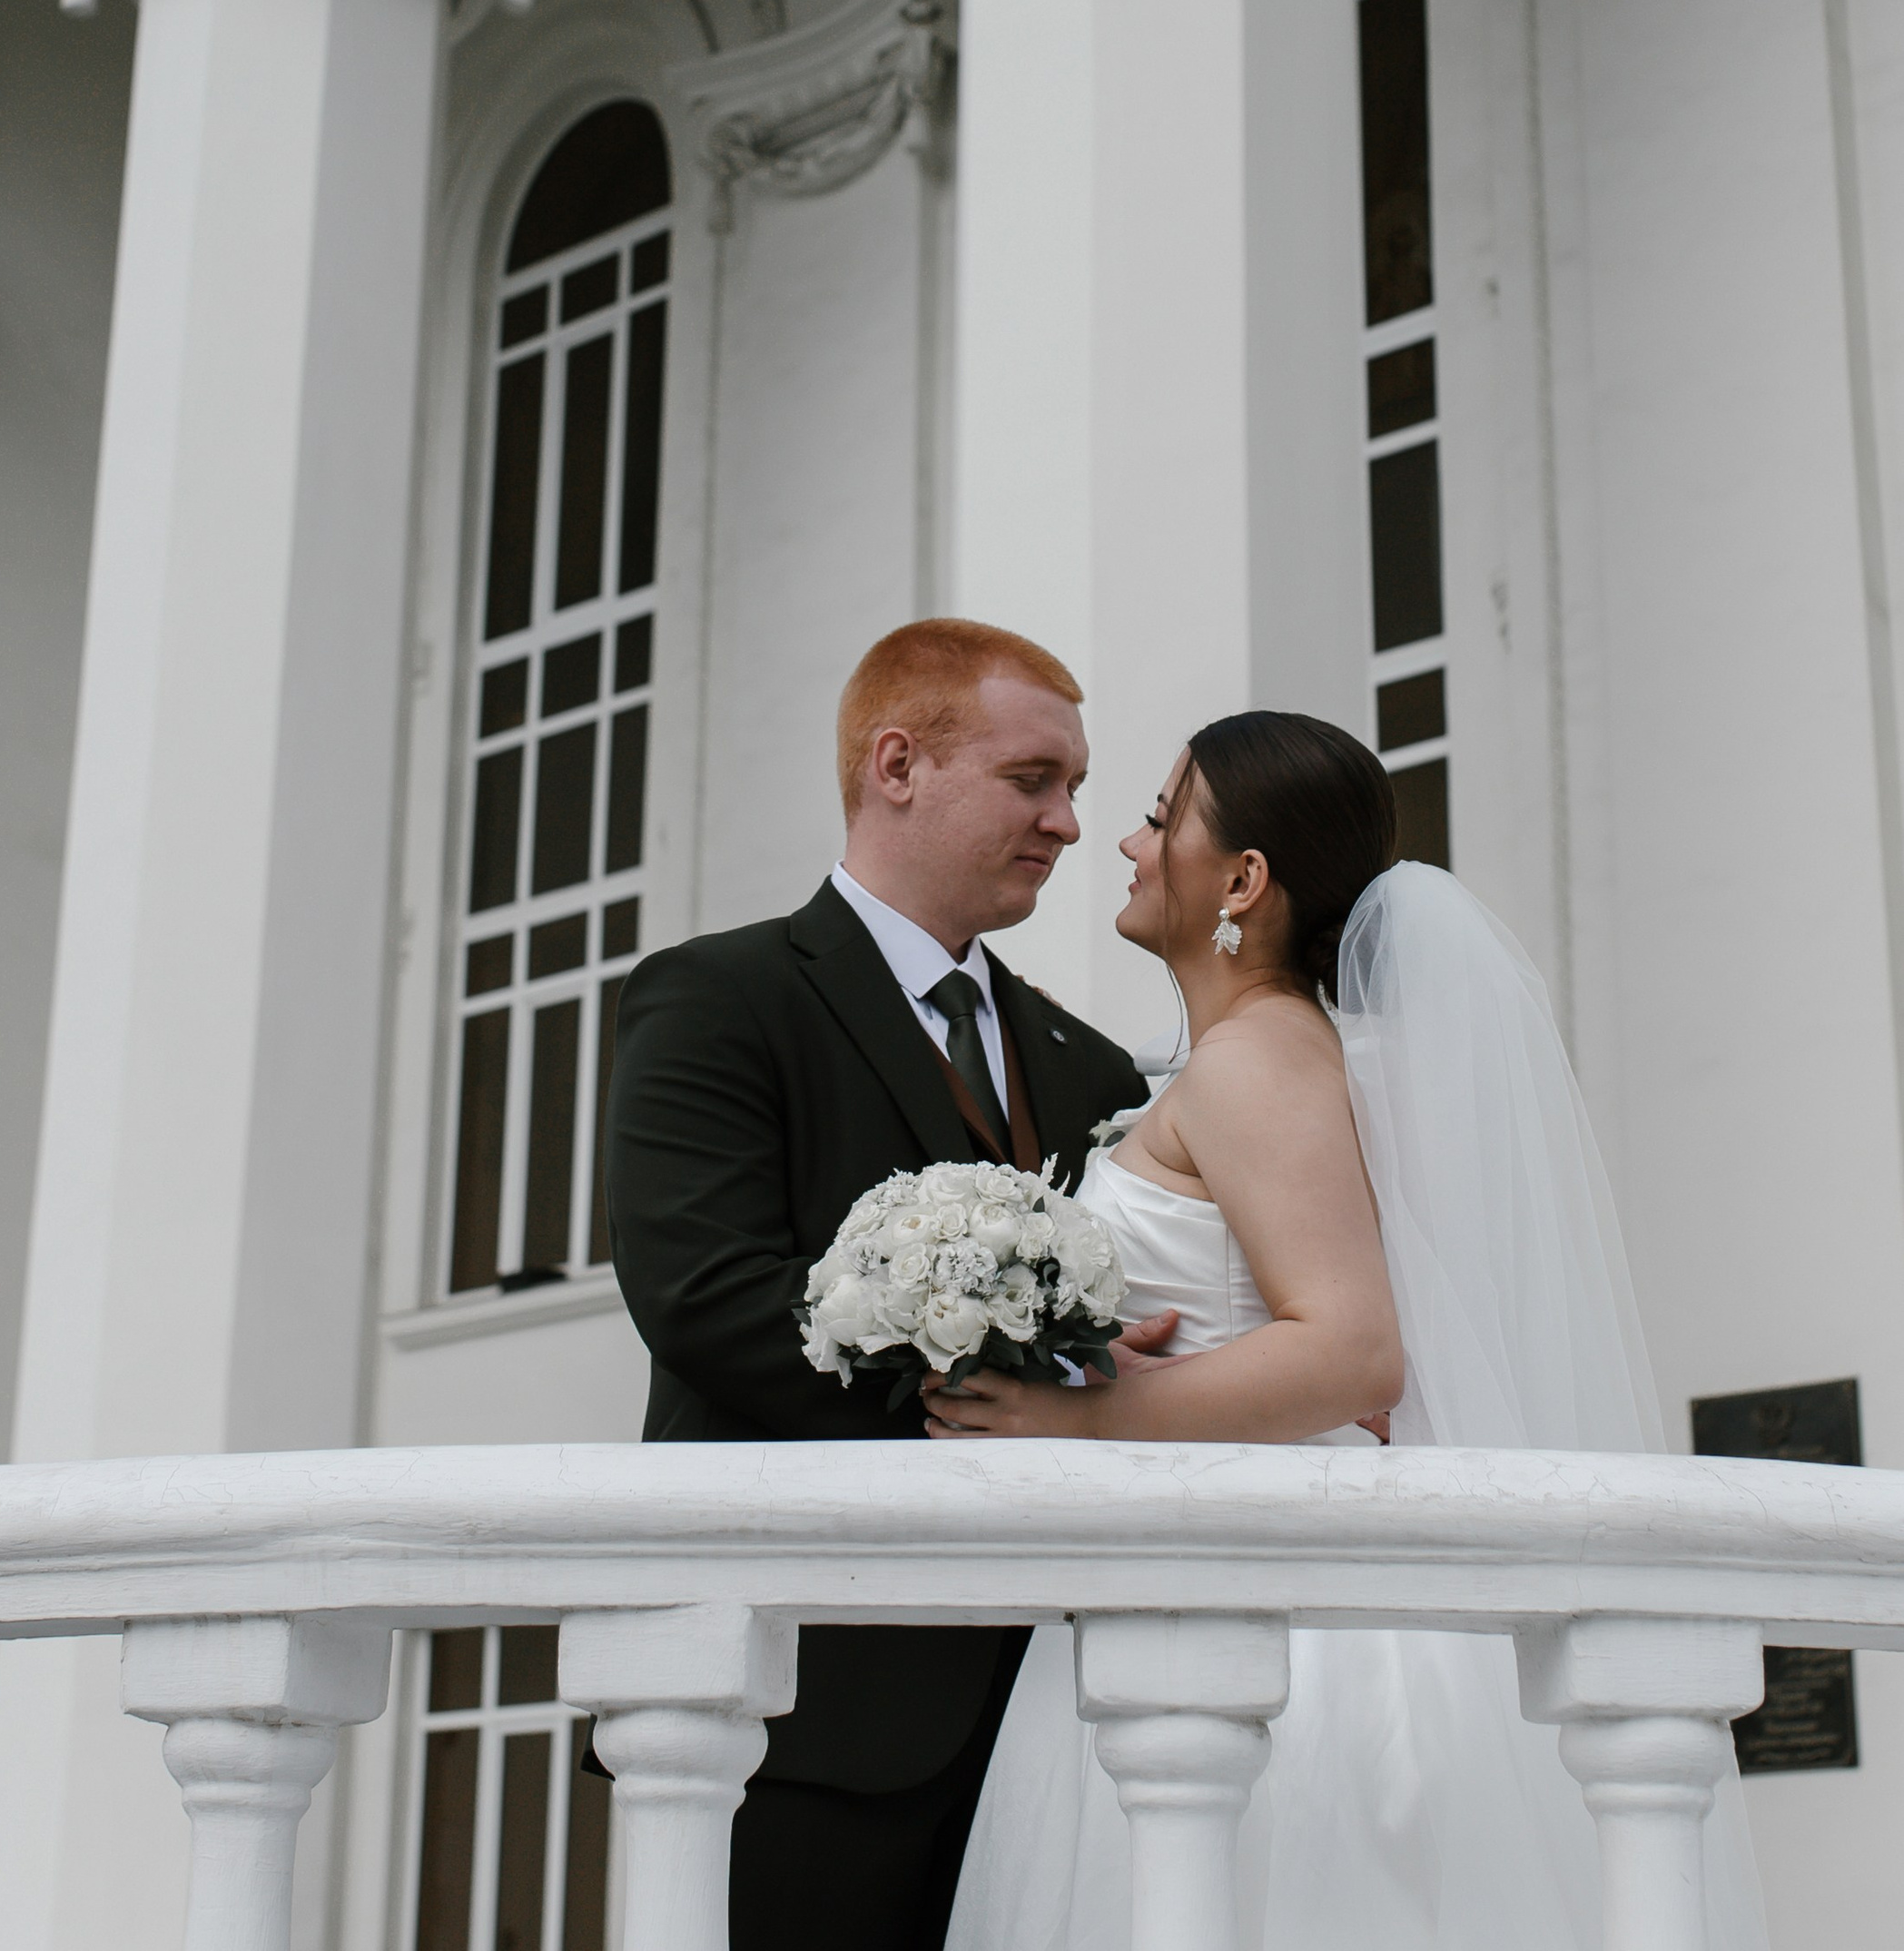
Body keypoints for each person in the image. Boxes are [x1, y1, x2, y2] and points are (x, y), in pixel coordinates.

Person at [929, 710, 1767, 1951]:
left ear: (1244, 881)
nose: (1127, 841)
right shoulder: (1260, 1056)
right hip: (1208, 1577)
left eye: (1162, 819)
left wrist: (1086, 1414)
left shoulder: (1254, 1062)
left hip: (1286, 1632)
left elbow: (1352, 1352)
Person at [602, 618, 1154, 1951]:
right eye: (1035, 781)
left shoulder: (1093, 1071)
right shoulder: (716, 1000)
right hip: (808, 1707)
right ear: (898, 764)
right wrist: (999, 1401)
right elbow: (705, 1298)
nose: (1069, 823)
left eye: (1076, 788)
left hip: (1066, 1732)